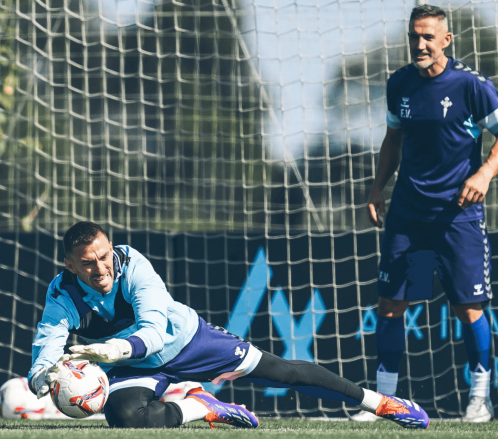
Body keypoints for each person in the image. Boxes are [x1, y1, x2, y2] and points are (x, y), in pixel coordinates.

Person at [28, 221, 429, 429]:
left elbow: (151, 329)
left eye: (104, 255)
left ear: (111, 246)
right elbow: (46, 345)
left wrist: (113, 350)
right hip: (134, 368)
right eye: (88, 263)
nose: (101, 268)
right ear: (69, 265)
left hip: (186, 342)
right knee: (126, 420)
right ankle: (200, 405)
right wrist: (42, 378)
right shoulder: (62, 293)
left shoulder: (133, 266)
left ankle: (380, 403)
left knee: (284, 372)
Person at [357, 4, 498, 424]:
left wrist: (486, 172)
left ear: (446, 41)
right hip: (406, 214)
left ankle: (479, 399)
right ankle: (386, 401)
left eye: (428, 37)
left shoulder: (473, 87)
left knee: (468, 309)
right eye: (414, 36)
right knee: (389, 306)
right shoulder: (399, 83)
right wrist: (376, 189)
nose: (420, 44)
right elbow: (392, 141)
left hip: (459, 216)